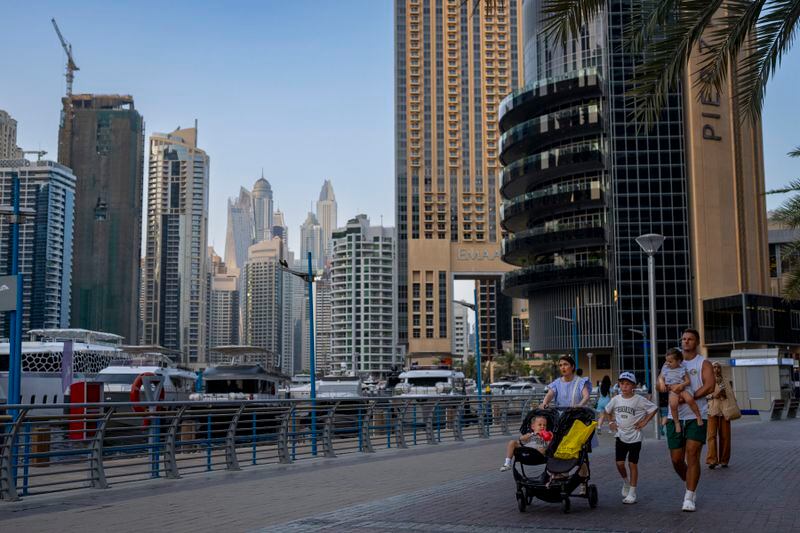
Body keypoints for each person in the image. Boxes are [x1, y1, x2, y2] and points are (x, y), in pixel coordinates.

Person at [657, 328, 714, 512]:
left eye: (690, 339)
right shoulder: (670, 362)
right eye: (683, 339)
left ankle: (689, 495)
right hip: (674, 416)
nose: (686, 341)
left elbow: (710, 386)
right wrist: (661, 385)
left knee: (692, 453)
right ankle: (690, 480)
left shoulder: (702, 363)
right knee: (676, 459)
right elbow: (660, 382)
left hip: (696, 415)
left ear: (696, 342)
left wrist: (688, 397)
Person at [603, 372, 658, 504]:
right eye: (622, 384)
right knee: (619, 464)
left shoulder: (639, 399)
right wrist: (611, 422)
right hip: (620, 435)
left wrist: (645, 422)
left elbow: (654, 408)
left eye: (627, 384)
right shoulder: (616, 399)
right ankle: (626, 482)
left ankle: (632, 493)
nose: (624, 386)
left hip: (635, 436)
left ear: (633, 386)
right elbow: (607, 410)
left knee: (632, 464)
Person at [660, 348, 703, 433]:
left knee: (690, 399)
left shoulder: (682, 369)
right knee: (673, 405)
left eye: (670, 362)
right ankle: (676, 423)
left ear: (679, 361)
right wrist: (662, 383)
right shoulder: (666, 368)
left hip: (683, 389)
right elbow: (661, 378)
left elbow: (688, 381)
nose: (668, 363)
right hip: (673, 391)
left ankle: (698, 416)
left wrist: (680, 385)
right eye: (667, 361)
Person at [706, 362, 732, 469]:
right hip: (712, 411)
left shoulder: (726, 380)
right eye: (714, 367)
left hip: (725, 411)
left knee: (725, 437)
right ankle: (712, 460)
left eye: (718, 367)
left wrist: (725, 393)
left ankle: (724, 460)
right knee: (711, 436)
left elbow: (731, 395)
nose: (716, 369)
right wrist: (713, 395)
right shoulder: (707, 380)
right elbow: (703, 396)